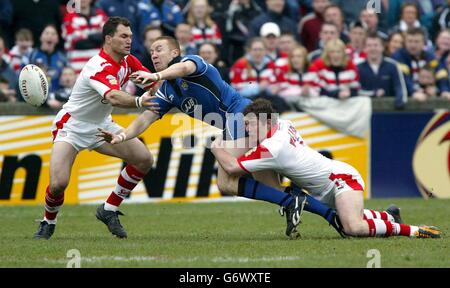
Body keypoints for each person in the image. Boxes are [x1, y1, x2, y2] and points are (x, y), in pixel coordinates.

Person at [98, 35, 345, 238]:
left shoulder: (191, 63)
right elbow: (145, 119)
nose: (153, 54)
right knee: (274, 189)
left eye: (159, 49)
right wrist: (122, 136)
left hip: (242, 116)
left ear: (175, 52)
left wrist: (157, 76)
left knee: (226, 182)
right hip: (242, 122)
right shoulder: (167, 92)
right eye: (151, 50)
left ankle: (293, 203)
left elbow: (183, 68)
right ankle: (331, 216)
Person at [211, 98, 442, 239]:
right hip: (328, 183)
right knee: (352, 219)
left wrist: (216, 148)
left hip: (341, 179)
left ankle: (413, 230)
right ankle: (388, 215)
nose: (247, 132)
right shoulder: (283, 125)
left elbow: (231, 168)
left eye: (249, 125)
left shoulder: (272, 148)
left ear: (266, 122)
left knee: (353, 228)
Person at [33, 17, 159, 240]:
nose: (129, 40)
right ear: (108, 39)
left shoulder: (128, 61)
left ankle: (108, 209)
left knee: (144, 159)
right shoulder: (97, 66)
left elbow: (151, 82)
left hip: (101, 125)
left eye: (130, 36)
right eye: (123, 36)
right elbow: (113, 96)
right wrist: (140, 102)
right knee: (58, 184)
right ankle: (48, 222)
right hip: (72, 126)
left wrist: (167, 84)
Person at [358, 34, 408, 109]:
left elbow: (400, 88)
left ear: (382, 47)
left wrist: (400, 102)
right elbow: (355, 92)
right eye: (369, 45)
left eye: (376, 45)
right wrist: (374, 93)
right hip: (364, 111)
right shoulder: (358, 67)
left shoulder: (393, 65)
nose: (373, 48)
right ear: (364, 48)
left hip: (390, 112)